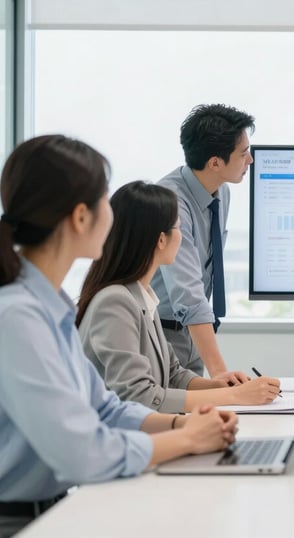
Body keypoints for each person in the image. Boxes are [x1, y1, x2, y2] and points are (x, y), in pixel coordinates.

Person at [0, 135, 237, 536]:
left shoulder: (49, 306)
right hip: (23, 523)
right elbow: (83, 453)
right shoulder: (18, 318)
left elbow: (106, 409)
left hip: (53, 509)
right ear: (80, 217)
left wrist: (183, 426)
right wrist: (189, 440)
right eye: (104, 202)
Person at [77, 181, 281, 414]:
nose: (183, 238)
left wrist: (219, 384)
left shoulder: (144, 295)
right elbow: (139, 396)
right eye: (179, 228)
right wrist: (234, 396)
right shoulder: (114, 302)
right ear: (161, 239)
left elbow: (173, 374)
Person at [151, 103, 255, 382]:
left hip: (192, 333)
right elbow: (188, 294)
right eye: (244, 153)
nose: (250, 161)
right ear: (215, 163)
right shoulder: (171, 202)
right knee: (171, 420)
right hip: (162, 333)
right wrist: (220, 372)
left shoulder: (221, 192)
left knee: (198, 417)